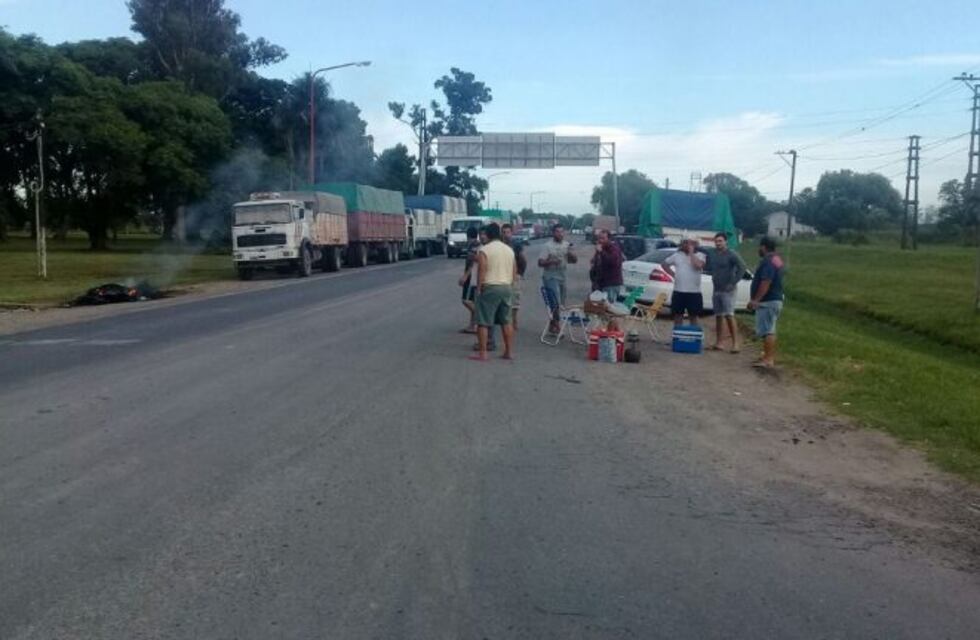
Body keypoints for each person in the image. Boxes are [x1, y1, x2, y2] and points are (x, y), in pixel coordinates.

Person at [471, 223, 516, 361]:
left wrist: (478, 288)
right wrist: (511, 285)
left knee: (483, 321)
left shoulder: (485, 250)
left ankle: (483, 353)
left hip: (490, 287)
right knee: (506, 321)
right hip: (506, 287)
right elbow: (514, 270)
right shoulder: (509, 250)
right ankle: (508, 352)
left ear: (488, 235)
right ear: (500, 234)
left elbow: (482, 269)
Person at [747, 236, 785, 368]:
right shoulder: (777, 259)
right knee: (768, 329)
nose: (758, 249)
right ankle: (766, 356)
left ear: (763, 247)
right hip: (774, 299)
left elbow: (766, 282)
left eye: (759, 247)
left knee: (768, 331)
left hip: (768, 300)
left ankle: (768, 359)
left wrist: (756, 300)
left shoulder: (768, 261)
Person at [708, 232, 747, 353]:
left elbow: (742, 267)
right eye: (716, 241)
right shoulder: (713, 253)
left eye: (720, 241)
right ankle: (719, 343)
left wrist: (733, 282)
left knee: (729, 315)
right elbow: (702, 250)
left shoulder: (732, 254)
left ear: (726, 242)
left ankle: (735, 344)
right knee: (718, 316)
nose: (718, 243)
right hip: (716, 289)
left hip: (728, 290)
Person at [538, 223, 577, 333]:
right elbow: (540, 262)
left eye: (561, 231)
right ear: (553, 233)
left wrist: (571, 253)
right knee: (555, 302)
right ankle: (557, 325)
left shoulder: (566, 245)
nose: (560, 234)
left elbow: (574, 261)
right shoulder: (547, 246)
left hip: (562, 276)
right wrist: (551, 261)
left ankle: (553, 323)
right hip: (550, 276)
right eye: (557, 232)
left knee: (562, 303)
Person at [662, 237, 706, 326]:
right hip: (679, 291)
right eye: (685, 243)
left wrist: (691, 253)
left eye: (690, 243)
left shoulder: (701, 255)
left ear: (695, 244)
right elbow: (664, 264)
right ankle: (677, 336)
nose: (687, 245)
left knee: (693, 316)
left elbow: (698, 265)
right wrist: (673, 275)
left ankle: (693, 336)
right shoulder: (677, 255)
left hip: (694, 292)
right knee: (678, 315)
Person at [501, 223, 528, 331]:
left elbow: (523, 260)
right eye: (503, 232)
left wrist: (520, 273)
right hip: (502, 275)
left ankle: (514, 319)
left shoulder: (516, 245)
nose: (505, 235)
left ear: (511, 233)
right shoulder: (499, 245)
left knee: (515, 299)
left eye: (507, 232)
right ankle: (506, 319)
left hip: (514, 275)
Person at [457, 226, 481, 334]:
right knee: (472, 300)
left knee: (466, 300)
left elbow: (472, 263)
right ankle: (472, 325)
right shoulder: (478, 245)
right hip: (474, 276)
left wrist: (465, 276)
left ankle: (479, 316)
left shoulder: (473, 246)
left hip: (471, 276)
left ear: (468, 236)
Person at [591, 229, 624, 303]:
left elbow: (612, 262)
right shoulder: (602, 248)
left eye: (603, 238)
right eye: (599, 238)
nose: (600, 240)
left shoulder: (613, 249)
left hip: (611, 284)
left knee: (608, 307)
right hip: (601, 284)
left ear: (609, 239)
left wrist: (601, 252)